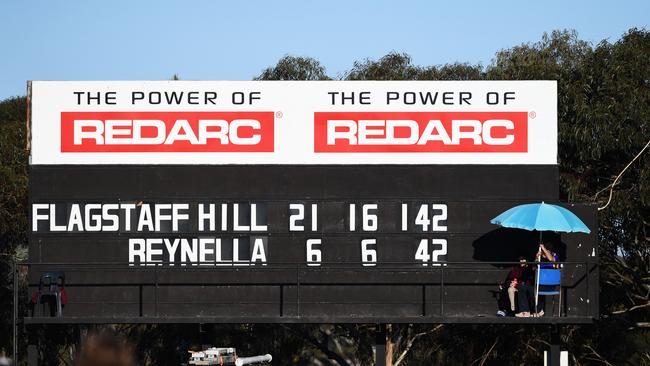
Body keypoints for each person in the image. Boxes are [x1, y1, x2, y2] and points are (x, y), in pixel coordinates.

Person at [515, 241, 558, 317]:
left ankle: (539, 310)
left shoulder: (554, 255)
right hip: (538, 282)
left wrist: (543, 248)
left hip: (549, 284)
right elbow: (534, 268)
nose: (543, 253)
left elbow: (551, 260)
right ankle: (525, 311)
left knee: (534, 289)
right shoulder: (540, 258)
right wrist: (536, 258)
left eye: (545, 251)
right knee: (522, 287)